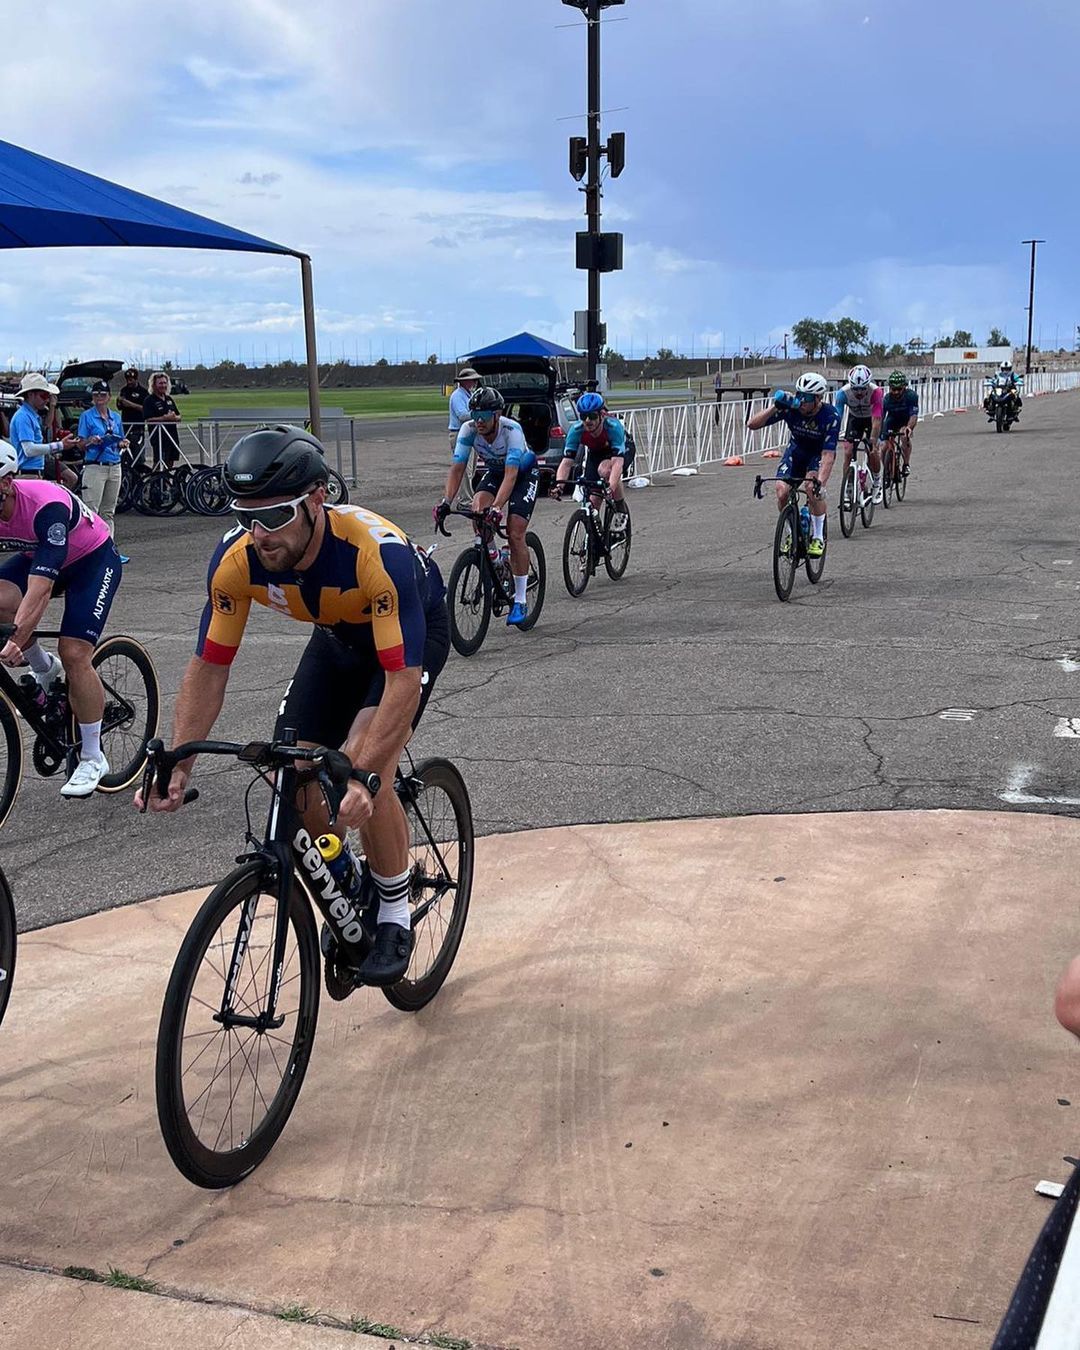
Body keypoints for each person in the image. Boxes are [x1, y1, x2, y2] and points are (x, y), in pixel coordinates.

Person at [137, 426, 449, 987]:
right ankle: (348, 882)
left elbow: (400, 682)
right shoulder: (237, 560)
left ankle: (394, 909)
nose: (259, 535)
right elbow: (209, 666)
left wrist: (365, 774)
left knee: (362, 765)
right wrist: (180, 761)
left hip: (408, 644)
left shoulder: (375, 554)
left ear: (316, 500)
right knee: (295, 770)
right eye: (245, 518)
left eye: (275, 517)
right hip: (336, 639)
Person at [0, 439, 122, 796]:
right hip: (37, 557)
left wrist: (16, 638)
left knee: (74, 652)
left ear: (6, 483)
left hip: (92, 562)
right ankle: (43, 668)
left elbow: (40, 590)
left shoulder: (45, 506)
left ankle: (93, 756)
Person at [435, 387, 539, 628]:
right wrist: (446, 502)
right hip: (495, 472)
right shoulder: (469, 429)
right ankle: (496, 559)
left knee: (515, 532)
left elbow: (511, 476)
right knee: (477, 509)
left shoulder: (511, 431)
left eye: (483, 415)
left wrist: (498, 507)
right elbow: (457, 469)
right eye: (474, 414)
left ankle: (520, 600)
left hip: (522, 474)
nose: (478, 421)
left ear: (497, 414)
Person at [746, 372, 839, 559]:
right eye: (799, 395)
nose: (801, 401)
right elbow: (752, 424)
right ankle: (790, 532)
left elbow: (828, 455)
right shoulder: (791, 408)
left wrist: (821, 483)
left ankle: (818, 536)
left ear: (818, 398)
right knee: (782, 491)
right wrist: (775, 407)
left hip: (817, 454)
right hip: (796, 452)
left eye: (807, 398)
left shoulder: (830, 415)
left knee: (812, 488)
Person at [552, 392, 632, 514]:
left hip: (622, 449)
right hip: (597, 452)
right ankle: (592, 524)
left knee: (605, 470)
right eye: (584, 416)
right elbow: (566, 463)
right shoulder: (576, 430)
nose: (588, 420)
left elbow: (617, 464)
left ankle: (620, 508)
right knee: (594, 499)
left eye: (592, 416)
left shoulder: (613, 427)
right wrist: (559, 487)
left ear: (601, 415)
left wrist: (610, 488)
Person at [77, 381, 128, 533]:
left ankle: (108, 543)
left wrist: (123, 443)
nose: (99, 397)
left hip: (114, 465)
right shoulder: (87, 416)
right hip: (95, 466)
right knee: (91, 511)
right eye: (96, 394)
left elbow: (119, 439)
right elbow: (80, 444)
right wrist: (90, 441)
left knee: (108, 512)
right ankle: (91, 544)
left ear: (109, 397)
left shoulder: (116, 417)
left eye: (103, 394)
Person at [8, 374, 77, 479]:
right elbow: (29, 450)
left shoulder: (30, 416)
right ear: (31, 395)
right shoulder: (23, 416)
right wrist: (60, 445)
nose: (47, 400)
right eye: (44, 395)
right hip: (27, 474)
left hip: (32, 473)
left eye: (48, 396)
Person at [834, 365, 884, 503]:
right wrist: (833, 435)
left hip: (871, 420)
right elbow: (837, 418)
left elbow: (877, 420)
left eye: (863, 388)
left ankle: (877, 482)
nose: (859, 392)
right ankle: (848, 485)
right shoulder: (842, 393)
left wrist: (873, 439)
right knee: (848, 451)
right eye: (855, 389)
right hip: (855, 419)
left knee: (873, 451)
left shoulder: (876, 392)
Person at [880, 370, 919, 476]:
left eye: (899, 389)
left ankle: (906, 464)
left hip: (906, 421)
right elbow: (881, 418)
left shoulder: (911, 396)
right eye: (893, 389)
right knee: (884, 447)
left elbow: (913, 415)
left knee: (904, 437)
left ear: (904, 387)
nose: (896, 392)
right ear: (890, 388)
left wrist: (909, 427)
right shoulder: (886, 400)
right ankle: (887, 470)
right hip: (892, 421)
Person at [142, 371, 182, 468]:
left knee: (171, 460)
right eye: (160, 383)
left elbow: (179, 416)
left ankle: (167, 477)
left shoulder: (169, 399)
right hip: (159, 437)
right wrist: (164, 418)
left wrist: (175, 418)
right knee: (159, 461)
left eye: (165, 383)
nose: (163, 385)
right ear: (154, 385)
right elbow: (148, 419)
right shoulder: (149, 400)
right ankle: (156, 477)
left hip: (172, 435)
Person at [116, 366, 148, 459]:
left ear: (136, 379)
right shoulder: (124, 390)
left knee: (138, 452)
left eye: (131, 380)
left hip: (137, 426)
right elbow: (119, 407)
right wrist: (119, 402)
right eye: (127, 380)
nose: (129, 382)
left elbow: (146, 409)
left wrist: (130, 404)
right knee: (125, 453)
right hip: (125, 426)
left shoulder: (143, 392)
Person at [448, 367, 480, 452]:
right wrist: (479, 414)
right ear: (465, 381)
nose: (475, 383)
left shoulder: (470, 394)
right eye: (473, 380)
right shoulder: (457, 395)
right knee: (462, 459)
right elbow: (462, 416)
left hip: (469, 432)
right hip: (459, 433)